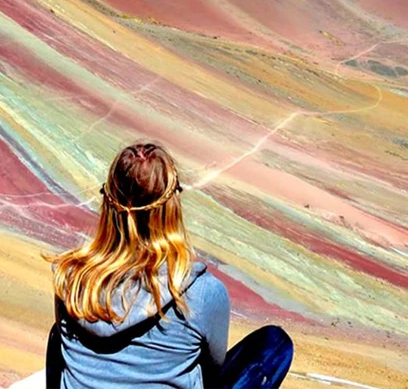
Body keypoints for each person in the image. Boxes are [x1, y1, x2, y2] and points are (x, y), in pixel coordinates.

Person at [47, 143, 293, 389]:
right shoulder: (202, 293)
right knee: (275, 344)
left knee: (58, 335)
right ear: (172, 208)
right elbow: (213, 369)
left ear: (108, 202)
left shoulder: (71, 280)